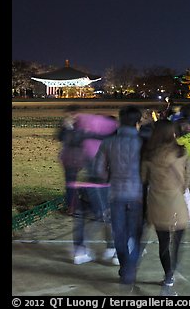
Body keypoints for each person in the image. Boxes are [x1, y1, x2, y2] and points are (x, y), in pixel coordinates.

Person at [140, 120, 190, 295]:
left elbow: (143, 179)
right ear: (173, 134)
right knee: (177, 241)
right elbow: (187, 180)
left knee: (163, 242)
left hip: (157, 201)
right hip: (177, 200)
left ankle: (168, 275)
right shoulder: (182, 152)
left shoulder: (149, 155)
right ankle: (174, 267)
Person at [94, 105, 144, 288]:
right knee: (136, 235)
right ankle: (130, 266)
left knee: (119, 233)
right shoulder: (142, 142)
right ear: (137, 123)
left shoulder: (108, 142)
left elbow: (99, 169)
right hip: (137, 194)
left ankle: (125, 268)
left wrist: (110, 176)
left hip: (116, 193)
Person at [72, 113, 119, 266]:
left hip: (82, 183)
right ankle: (112, 249)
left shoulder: (84, 138)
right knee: (105, 215)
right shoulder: (107, 142)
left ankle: (81, 250)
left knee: (82, 216)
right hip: (101, 184)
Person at [56, 105, 84, 214]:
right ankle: (73, 205)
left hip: (75, 158)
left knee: (71, 182)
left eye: (71, 113)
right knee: (71, 181)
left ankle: (72, 207)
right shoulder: (65, 124)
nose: (68, 116)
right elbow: (59, 138)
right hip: (69, 157)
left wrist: (69, 128)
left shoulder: (80, 126)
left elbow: (77, 141)